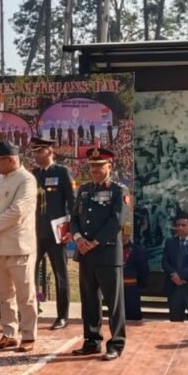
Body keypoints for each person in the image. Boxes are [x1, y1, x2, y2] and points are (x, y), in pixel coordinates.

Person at [0, 141, 38, 352]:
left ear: (11, 160)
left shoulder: (27, 179)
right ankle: (9, 333)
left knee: (25, 294)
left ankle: (28, 335)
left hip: (17, 246)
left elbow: (17, 210)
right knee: (4, 295)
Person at [70, 148, 129, 361]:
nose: (95, 169)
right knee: (89, 301)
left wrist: (94, 242)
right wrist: (78, 238)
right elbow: (74, 218)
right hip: (85, 253)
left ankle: (116, 343)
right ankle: (92, 341)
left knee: (113, 302)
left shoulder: (118, 190)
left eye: (99, 165)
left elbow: (117, 220)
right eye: (92, 165)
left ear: (109, 167)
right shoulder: (84, 189)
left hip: (107, 253)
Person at [30, 137, 75, 330]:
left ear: (50, 151)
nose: (36, 155)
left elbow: (72, 202)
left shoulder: (61, 172)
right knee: (29, 274)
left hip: (56, 231)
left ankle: (62, 316)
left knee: (60, 275)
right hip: (35, 231)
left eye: (39, 151)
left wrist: (71, 229)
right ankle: (31, 313)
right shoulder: (33, 175)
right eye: (34, 152)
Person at [122, 222, 149, 321]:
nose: (122, 236)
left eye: (124, 234)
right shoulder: (111, 250)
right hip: (115, 289)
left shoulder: (138, 251)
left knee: (132, 314)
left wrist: (139, 285)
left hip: (131, 288)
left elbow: (143, 271)